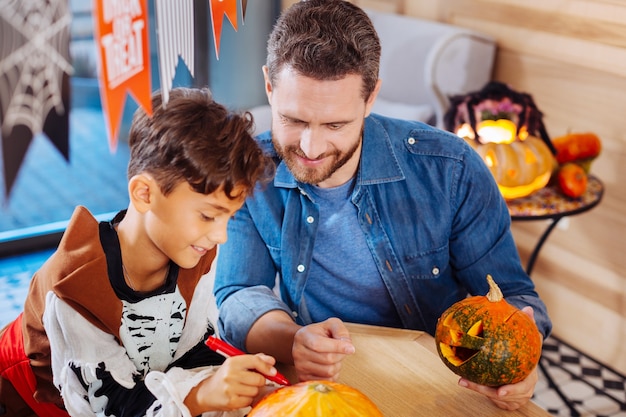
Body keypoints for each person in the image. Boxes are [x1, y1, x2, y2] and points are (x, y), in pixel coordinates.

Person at [213, 0, 552, 411]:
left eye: (335, 125)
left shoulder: (451, 168)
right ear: (269, 86)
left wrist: (518, 362)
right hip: (326, 382)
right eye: (294, 120)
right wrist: (294, 338)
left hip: (438, 382)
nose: (310, 148)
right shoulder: (250, 170)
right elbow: (239, 291)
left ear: (372, 95)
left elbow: (513, 296)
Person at [0, 87, 277, 417]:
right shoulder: (74, 284)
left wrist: (239, 379)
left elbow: (192, 345)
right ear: (145, 194)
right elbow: (110, 405)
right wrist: (199, 397)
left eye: (228, 217)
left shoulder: (194, 248)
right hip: (29, 399)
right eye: (207, 215)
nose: (221, 236)